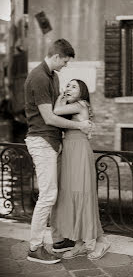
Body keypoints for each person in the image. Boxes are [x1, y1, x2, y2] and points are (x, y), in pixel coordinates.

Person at [24, 39, 92, 264]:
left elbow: (59, 111)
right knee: (48, 195)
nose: (65, 66)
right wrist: (80, 126)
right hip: (41, 141)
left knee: (52, 194)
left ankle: (51, 242)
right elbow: (49, 117)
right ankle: (35, 247)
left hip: (52, 142)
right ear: (56, 56)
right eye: (64, 61)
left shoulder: (53, 76)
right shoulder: (39, 77)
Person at [50, 79, 110, 260]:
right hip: (70, 152)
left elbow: (54, 112)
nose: (69, 88)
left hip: (79, 153)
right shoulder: (75, 108)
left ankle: (101, 241)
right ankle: (80, 244)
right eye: (67, 85)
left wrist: (60, 96)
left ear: (82, 92)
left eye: (73, 86)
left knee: (82, 195)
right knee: (74, 196)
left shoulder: (80, 104)